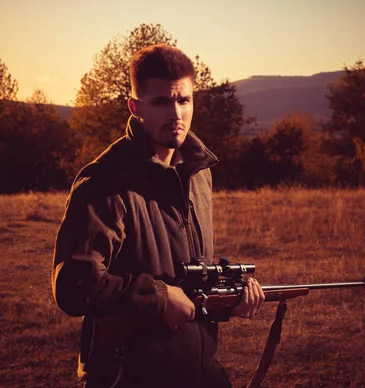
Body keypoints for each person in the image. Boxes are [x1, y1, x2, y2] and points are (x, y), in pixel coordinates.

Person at [52, 44, 264, 388]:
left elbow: (188, 282)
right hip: (130, 375)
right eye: (161, 102)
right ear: (136, 107)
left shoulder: (198, 173)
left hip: (199, 371)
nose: (176, 114)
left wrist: (229, 299)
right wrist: (158, 296)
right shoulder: (104, 182)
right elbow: (74, 286)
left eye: (183, 100)